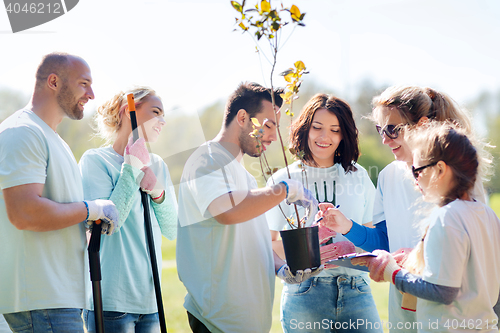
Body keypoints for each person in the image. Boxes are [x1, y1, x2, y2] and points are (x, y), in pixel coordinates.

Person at [318, 85, 488, 332]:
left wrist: (418, 257)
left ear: (420, 125)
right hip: (403, 306)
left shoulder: (457, 176)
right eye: (380, 130)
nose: (385, 139)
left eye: (392, 129)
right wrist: (347, 228)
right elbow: (386, 241)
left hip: (452, 312)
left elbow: (475, 246)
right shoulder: (388, 176)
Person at [176, 82, 322, 333]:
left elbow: (254, 239)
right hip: (216, 322)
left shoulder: (246, 178)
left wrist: (281, 267)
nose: (274, 137)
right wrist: (284, 189)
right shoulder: (207, 159)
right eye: (268, 125)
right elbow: (227, 212)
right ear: (242, 117)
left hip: (246, 324)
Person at [0, 52, 118, 332]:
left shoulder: (56, 142)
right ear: (54, 81)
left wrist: (87, 224)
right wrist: (91, 208)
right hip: (41, 300)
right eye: (83, 83)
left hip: (59, 298)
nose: (91, 94)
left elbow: (58, 212)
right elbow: (25, 213)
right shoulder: (23, 132)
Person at [350, 122, 500, 332]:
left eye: (417, 171)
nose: (414, 180)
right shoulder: (488, 215)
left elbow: (442, 291)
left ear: (440, 169)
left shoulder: (447, 217)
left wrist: (392, 272)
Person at [266, 94, 382, 333]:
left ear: (344, 135)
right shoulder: (283, 180)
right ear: (304, 129)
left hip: (356, 288)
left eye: (334, 130)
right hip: (305, 292)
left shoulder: (358, 175)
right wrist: (307, 247)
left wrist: (354, 244)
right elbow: (266, 245)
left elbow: (372, 237)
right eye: (316, 127)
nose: (324, 137)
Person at [79, 87, 178, 332]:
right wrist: (131, 168)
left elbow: (172, 229)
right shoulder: (95, 161)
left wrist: (158, 192)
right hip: (110, 301)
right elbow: (105, 225)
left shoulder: (157, 165)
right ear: (128, 111)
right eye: (156, 112)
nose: (162, 121)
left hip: (151, 302)